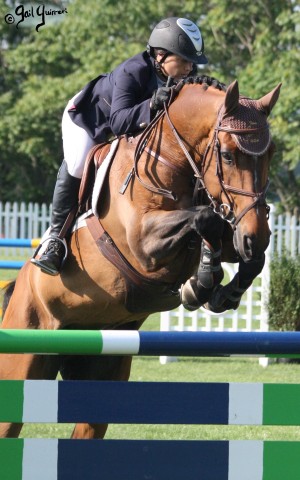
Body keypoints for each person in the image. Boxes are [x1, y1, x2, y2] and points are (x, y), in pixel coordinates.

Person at [31, 16, 208, 276]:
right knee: (79, 164)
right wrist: (150, 104)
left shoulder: (182, 76)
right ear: (160, 55)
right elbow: (117, 122)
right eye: (184, 60)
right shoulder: (132, 71)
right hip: (89, 122)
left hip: (127, 130)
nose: (189, 68)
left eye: (192, 62)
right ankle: (54, 240)